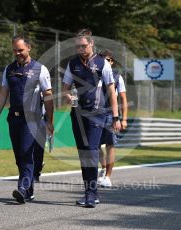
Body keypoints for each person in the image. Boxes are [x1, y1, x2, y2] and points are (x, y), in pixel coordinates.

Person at [0, 35, 54, 204]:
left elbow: (48, 95)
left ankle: (22, 189)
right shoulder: (9, 69)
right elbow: (3, 93)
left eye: (21, 50)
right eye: (15, 50)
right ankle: (29, 189)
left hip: (32, 119)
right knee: (19, 157)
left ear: (29, 48)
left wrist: (50, 121)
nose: (17, 53)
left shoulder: (40, 69)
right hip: (14, 119)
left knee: (26, 153)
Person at [62, 29, 121, 208]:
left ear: (91, 44)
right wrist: (67, 96)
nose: (80, 49)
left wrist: (116, 117)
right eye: (78, 46)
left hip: (97, 114)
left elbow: (111, 91)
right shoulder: (72, 64)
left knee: (91, 151)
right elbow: (65, 87)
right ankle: (90, 192)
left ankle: (91, 194)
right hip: (77, 114)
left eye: (83, 46)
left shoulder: (103, 63)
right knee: (83, 153)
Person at [97, 49, 128, 187]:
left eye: (108, 60)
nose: (105, 62)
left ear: (112, 62)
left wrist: (123, 118)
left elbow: (123, 99)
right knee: (95, 145)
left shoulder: (117, 76)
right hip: (94, 114)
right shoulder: (94, 74)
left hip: (110, 114)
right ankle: (103, 168)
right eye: (102, 59)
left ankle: (108, 176)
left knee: (110, 144)